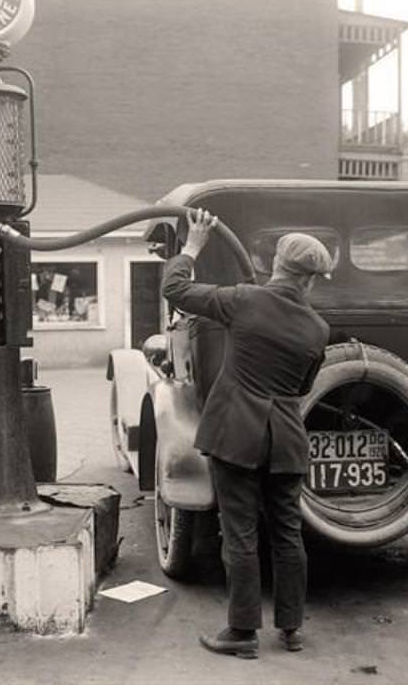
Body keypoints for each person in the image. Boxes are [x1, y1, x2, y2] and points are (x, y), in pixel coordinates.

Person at [161, 209, 332, 659]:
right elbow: (302, 387)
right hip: (288, 439)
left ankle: (242, 633)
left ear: (277, 266)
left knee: (239, 535)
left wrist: (192, 248)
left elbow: (173, 289)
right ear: (311, 281)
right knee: (287, 534)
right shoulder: (318, 329)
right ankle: (291, 629)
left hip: (236, 434)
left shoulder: (244, 300)